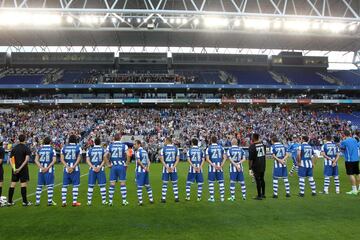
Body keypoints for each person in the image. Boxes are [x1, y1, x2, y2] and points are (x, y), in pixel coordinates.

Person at [106, 133, 130, 206]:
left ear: (114, 138)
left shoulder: (110, 146)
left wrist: (108, 164)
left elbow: (105, 156)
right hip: (121, 165)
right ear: (120, 138)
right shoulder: (124, 146)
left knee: (112, 184)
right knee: (122, 183)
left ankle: (110, 202)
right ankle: (124, 201)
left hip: (113, 166)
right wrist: (126, 164)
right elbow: (128, 155)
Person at [7, 134, 32, 206]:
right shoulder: (26, 148)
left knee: (13, 184)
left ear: (19, 139)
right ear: (25, 139)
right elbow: (26, 160)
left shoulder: (14, 148)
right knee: (23, 184)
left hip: (15, 169)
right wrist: (20, 168)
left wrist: (14, 168)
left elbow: (11, 159)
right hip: (23, 169)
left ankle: (9, 201)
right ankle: (25, 202)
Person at [34, 136, 57, 206]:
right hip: (49, 170)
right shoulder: (52, 149)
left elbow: (36, 160)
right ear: (50, 142)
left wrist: (41, 167)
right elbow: (54, 160)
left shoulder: (40, 149)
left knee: (39, 186)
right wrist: (47, 168)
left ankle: (37, 201)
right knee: (50, 186)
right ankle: (49, 201)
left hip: (41, 170)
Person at [60, 134, 82, 207]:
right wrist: (73, 167)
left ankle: (64, 202)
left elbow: (62, 159)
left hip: (66, 169)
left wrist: (67, 166)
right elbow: (79, 158)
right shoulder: (78, 147)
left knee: (64, 185)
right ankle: (74, 202)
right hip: (75, 169)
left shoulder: (64, 148)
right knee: (75, 185)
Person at [86, 137, 107, 206]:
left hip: (92, 169)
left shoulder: (90, 150)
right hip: (100, 169)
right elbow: (104, 160)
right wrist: (100, 167)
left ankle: (89, 202)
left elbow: (87, 160)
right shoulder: (103, 150)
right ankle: (104, 201)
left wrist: (93, 167)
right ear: (100, 142)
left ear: (94, 142)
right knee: (102, 186)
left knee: (90, 186)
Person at [159, 137, 180, 203]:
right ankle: (176, 198)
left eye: (165, 140)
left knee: (165, 183)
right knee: (174, 183)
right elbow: (177, 159)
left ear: (168, 141)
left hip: (166, 168)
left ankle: (163, 198)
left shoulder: (163, 149)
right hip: (173, 168)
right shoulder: (176, 149)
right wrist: (173, 167)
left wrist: (167, 167)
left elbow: (161, 159)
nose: (164, 142)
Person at [206, 136, 226, 202]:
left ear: (211, 140)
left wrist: (213, 165)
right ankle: (222, 198)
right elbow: (225, 158)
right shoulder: (221, 147)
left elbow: (207, 159)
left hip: (212, 168)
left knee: (211, 182)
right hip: (220, 167)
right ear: (217, 140)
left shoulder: (209, 148)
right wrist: (221, 166)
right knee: (221, 182)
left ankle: (212, 198)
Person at [134, 140, 154, 206]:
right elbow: (149, 161)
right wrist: (147, 168)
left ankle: (140, 201)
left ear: (139, 145)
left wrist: (144, 168)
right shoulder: (145, 151)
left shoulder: (138, 152)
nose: (134, 145)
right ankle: (151, 199)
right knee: (147, 185)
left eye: (135, 144)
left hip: (140, 171)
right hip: (146, 171)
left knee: (139, 186)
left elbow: (139, 162)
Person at [340, 130, 360, 195]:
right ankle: (359, 187)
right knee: (357, 173)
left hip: (349, 160)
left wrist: (340, 145)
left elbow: (342, 150)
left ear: (344, 135)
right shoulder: (355, 140)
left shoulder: (344, 142)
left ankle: (354, 190)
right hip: (356, 159)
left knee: (351, 174)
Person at [248, 133, 266, 200]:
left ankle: (259, 195)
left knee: (257, 180)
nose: (251, 138)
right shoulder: (263, 145)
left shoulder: (252, 146)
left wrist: (250, 168)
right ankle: (263, 194)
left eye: (252, 137)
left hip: (256, 165)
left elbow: (250, 159)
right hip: (263, 164)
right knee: (262, 179)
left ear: (254, 138)